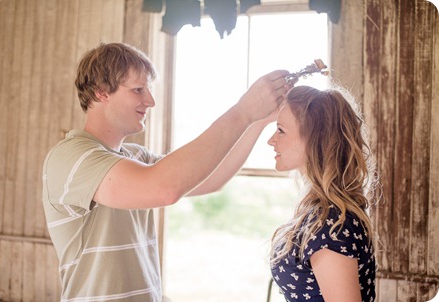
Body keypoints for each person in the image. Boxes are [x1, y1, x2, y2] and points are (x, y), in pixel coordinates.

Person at [41, 42, 290, 301]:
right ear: (101, 92)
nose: (150, 100)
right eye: (138, 90)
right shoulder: (71, 157)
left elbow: (211, 179)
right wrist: (243, 111)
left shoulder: (136, 157)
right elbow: (165, 188)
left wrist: (257, 120)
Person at [267, 85, 378, 302]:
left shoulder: (332, 226)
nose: (271, 140)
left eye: (281, 130)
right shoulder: (319, 213)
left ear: (314, 139)